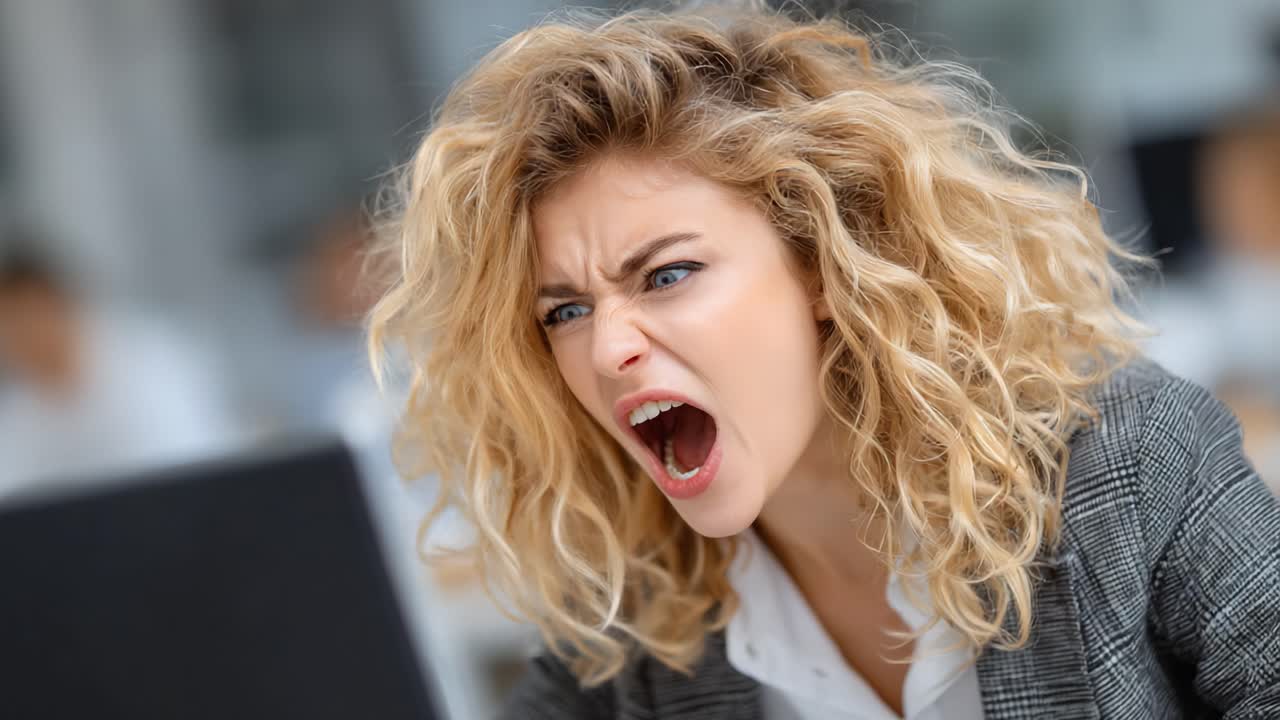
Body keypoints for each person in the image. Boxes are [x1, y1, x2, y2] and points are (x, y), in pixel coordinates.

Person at [367, 4, 1280, 718]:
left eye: (668, 274)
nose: (607, 347)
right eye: (565, 310)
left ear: (822, 267)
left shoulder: (1126, 466)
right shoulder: (643, 611)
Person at [0, 234, 239, 500]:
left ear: (61, 303)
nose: (22, 336)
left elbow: (195, 465)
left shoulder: (151, 363)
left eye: (28, 318)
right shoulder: (16, 415)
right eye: (8, 326)